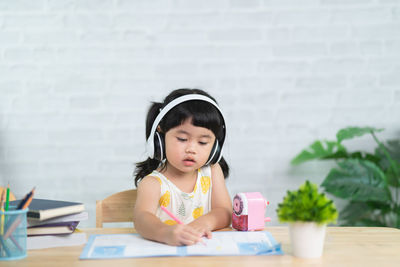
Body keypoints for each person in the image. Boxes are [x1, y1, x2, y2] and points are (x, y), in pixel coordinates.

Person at [133, 88, 232, 246]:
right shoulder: (153, 183)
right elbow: (141, 219)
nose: (191, 149)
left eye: (203, 142)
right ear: (160, 137)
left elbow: (225, 212)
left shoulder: (212, 172)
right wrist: (166, 233)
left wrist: (202, 224)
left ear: (215, 148)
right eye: (182, 138)